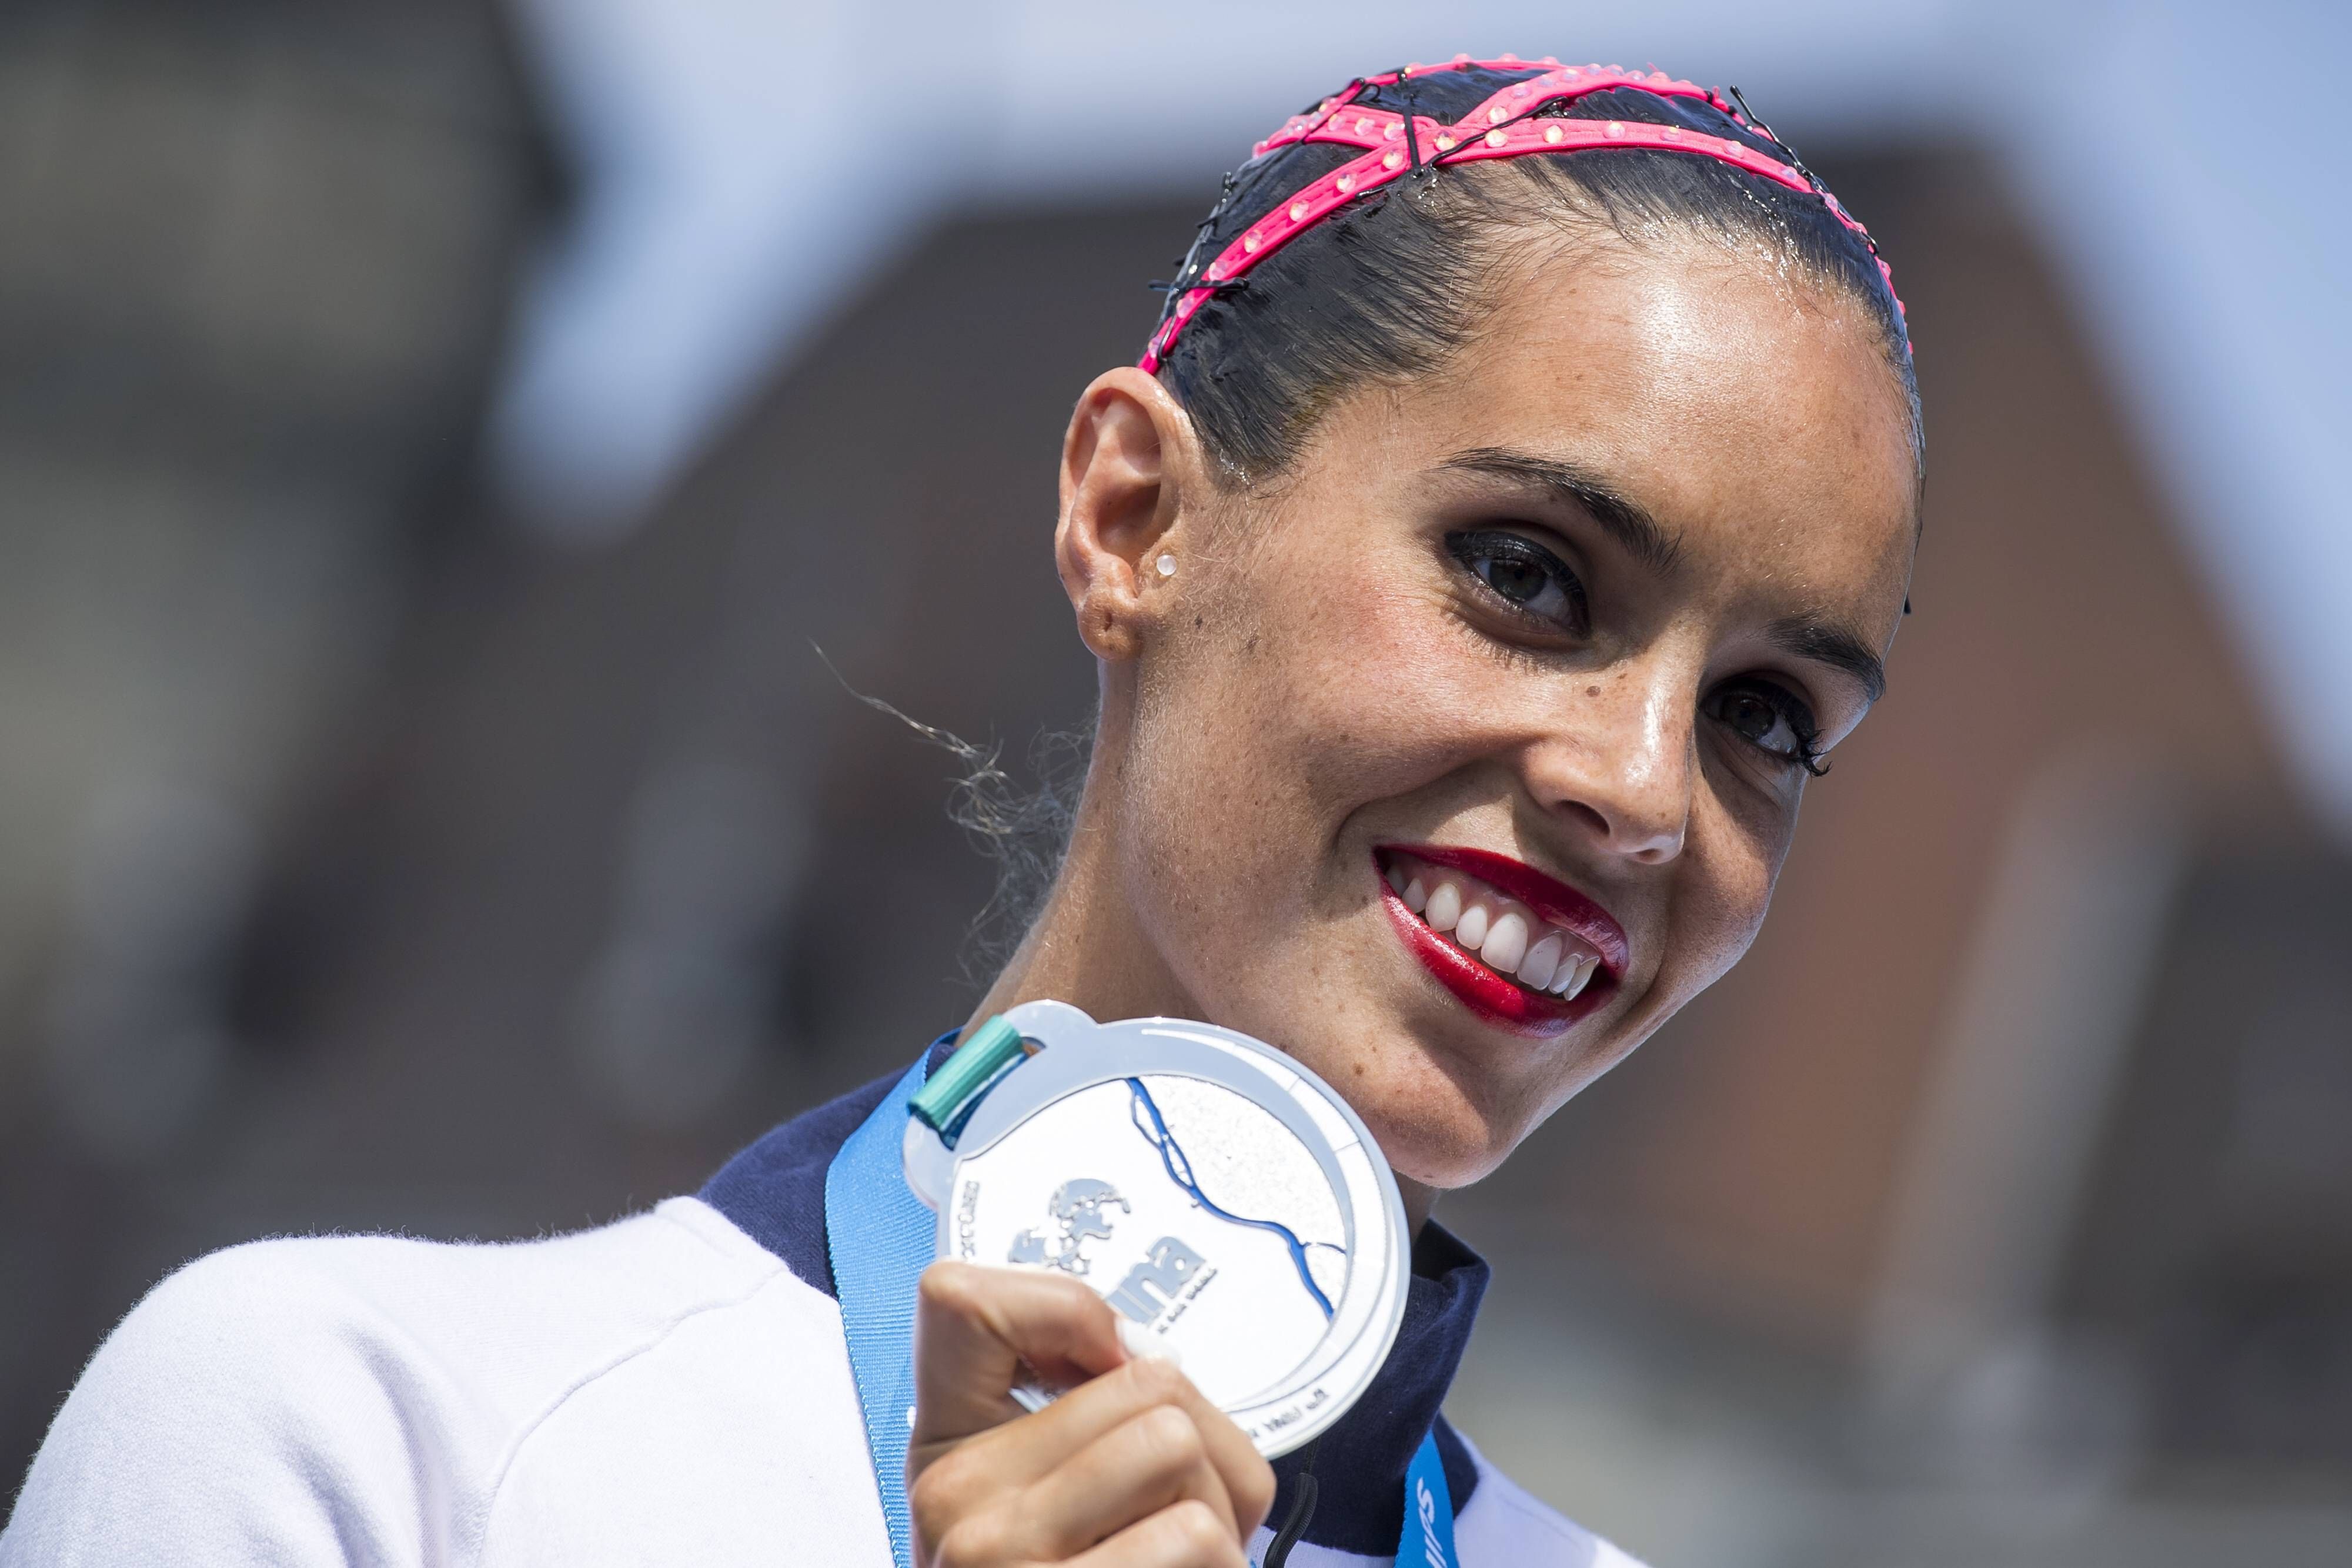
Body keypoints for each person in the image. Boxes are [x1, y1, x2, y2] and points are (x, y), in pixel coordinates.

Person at [2, 55, 1921, 1568]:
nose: (1648, 788)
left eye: (1767, 713)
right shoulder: (360, 1442)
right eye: (1529, 572)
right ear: (1134, 518)